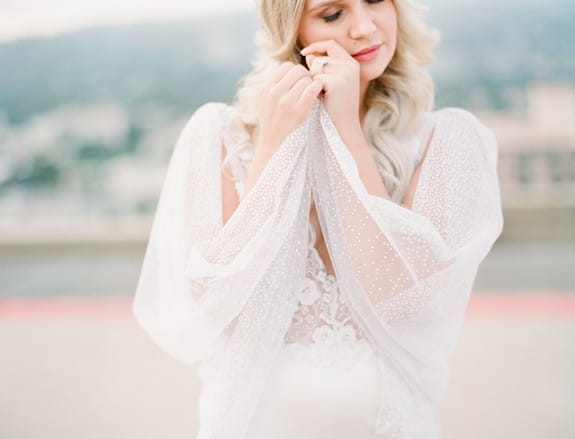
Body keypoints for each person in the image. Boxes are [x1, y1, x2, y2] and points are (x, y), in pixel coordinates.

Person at [132, 0, 504, 438]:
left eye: (375, 1)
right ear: (293, 33)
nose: (364, 28)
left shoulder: (447, 142)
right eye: (333, 14)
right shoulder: (219, 135)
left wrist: (344, 125)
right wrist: (273, 144)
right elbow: (209, 306)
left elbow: (394, 291)